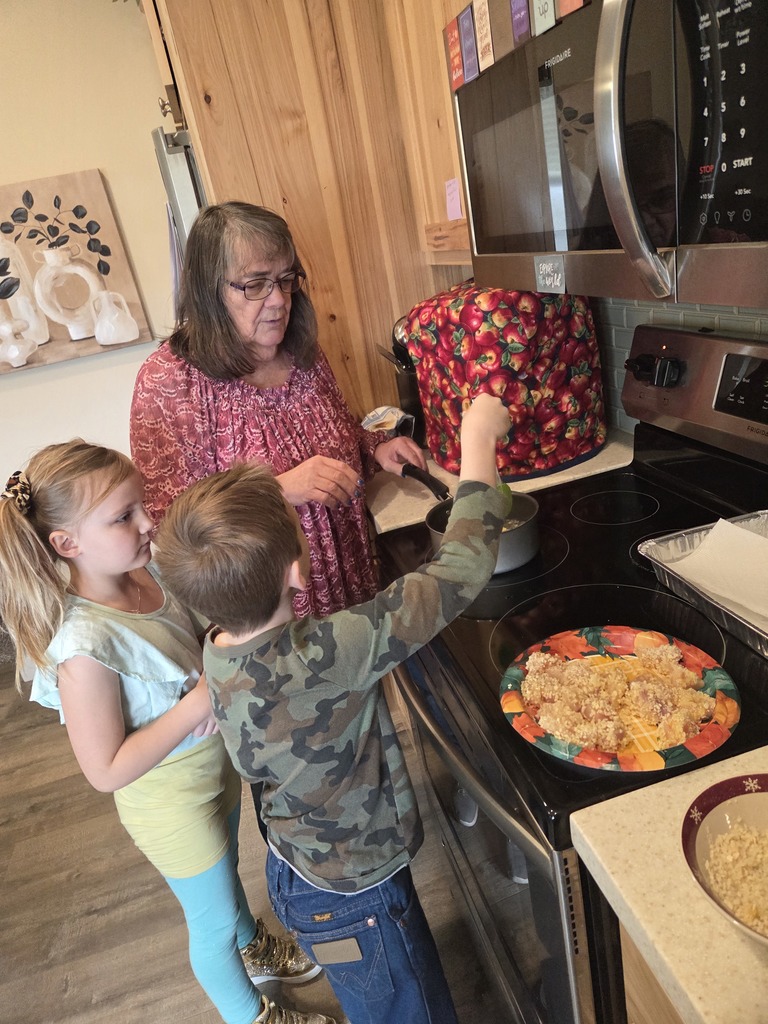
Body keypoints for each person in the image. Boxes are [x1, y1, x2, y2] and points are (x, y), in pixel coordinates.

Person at [153, 393, 513, 1024]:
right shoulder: (330, 650)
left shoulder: (218, 645)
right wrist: (478, 439)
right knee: (409, 1013)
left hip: (299, 868)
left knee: (382, 998)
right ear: (299, 570)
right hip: (358, 891)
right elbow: (459, 570)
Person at [0, 440, 336, 1024]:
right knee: (207, 923)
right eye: (124, 517)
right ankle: (251, 1016)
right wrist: (193, 706)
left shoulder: (145, 572)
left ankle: (253, 944)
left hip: (214, 771)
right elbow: (104, 770)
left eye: (141, 505)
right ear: (66, 544)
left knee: (226, 871)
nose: (148, 521)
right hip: (169, 806)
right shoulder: (85, 648)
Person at [130, 201, 426, 620]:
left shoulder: (301, 350)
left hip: (356, 579)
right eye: (255, 284)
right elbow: (173, 525)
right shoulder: (171, 380)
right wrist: (278, 488)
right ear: (210, 290)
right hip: (274, 615)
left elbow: (337, 436)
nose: (279, 300)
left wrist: (375, 447)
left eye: (287, 279)